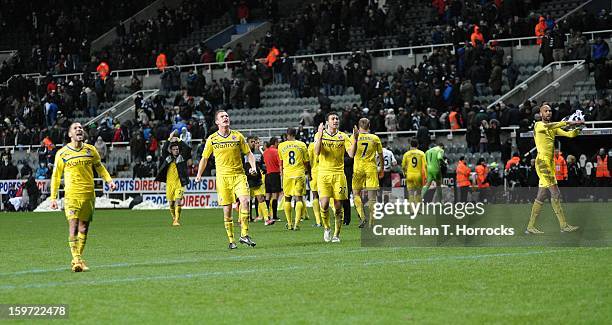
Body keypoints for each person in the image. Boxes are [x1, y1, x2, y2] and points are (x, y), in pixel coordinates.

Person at [50, 122, 117, 272]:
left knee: (84, 227)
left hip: (88, 194)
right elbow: (56, 176)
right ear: (70, 134)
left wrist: (109, 181)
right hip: (71, 195)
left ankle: (78, 258)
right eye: (75, 128)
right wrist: (53, 197)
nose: (79, 129)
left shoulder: (91, 150)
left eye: (80, 128)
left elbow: (100, 167)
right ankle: (76, 259)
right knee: (73, 227)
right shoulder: (62, 153)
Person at [196, 110, 258, 249]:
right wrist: (199, 174)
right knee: (228, 211)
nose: (225, 118)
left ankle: (244, 234)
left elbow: (249, 153)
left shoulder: (237, 136)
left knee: (245, 201)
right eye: (222, 116)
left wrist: (253, 166)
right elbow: (204, 158)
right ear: (217, 122)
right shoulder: (212, 139)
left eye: (227, 116)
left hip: (239, 176)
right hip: (223, 178)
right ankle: (231, 241)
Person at [526, 104, 582, 234]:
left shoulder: (553, 128)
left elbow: (570, 135)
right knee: (556, 193)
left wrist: (578, 128)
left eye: (550, 111)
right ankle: (563, 226)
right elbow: (549, 126)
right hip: (543, 163)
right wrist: (564, 122)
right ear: (541, 114)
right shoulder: (538, 125)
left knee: (541, 195)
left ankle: (530, 227)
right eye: (545, 111)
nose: (548, 113)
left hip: (548, 163)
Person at [314, 112, 357, 243]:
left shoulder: (343, 136)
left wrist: (355, 139)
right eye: (333, 119)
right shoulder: (319, 134)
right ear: (328, 122)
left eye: (337, 118)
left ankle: (336, 234)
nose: (335, 120)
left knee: (338, 206)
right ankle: (327, 228)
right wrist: (320, 134)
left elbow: (351, 154)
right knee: (325, 204)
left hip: (339, 174)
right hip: (324, 174)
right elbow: (316, 152)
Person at [155, 130, 192, 226]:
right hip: (169, 184)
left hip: (179, 183)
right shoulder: (168, 158)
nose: (176, 150)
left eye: (177, 149)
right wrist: (169, 138)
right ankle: (174, 218)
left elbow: (187, 148)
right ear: (171, 150)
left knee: (178, 201)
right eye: (174, 149)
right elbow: (163, 150)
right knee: (171, 203)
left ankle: (176, 220)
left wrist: (179, 140)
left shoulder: (181, 158)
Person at [352, 118, 383, 228]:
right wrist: (382, 168)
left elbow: (351, 152)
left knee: (356, 194)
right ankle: (372, 222)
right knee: (372, 198)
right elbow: (380, 155)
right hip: (371, 168)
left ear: (359, 126)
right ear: (369, 125)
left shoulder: (355, 137)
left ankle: (362, 216)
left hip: (358, 169)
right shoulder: (375, 138)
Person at [278, 128, 309, 230]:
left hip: (287, 174)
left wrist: (282, 174)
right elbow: (306, 161)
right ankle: (297, 224)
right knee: (299, 198)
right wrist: (308, 171)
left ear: (287, 135)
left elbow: (281, 162)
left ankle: (289, 223)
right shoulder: (302, 145)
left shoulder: (281, 146)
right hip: (299, 174)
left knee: (287, 198)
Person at [246, 136, 274, 225]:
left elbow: (262, 164)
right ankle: (244, 219)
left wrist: (263, 169)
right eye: (251, 142)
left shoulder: (259, 152)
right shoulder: (243, 153)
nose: (253, 143)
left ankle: (267, 219)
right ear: (248, 143)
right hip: (246, 179)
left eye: (254, 141)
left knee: (261, 198)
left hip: (257, 179)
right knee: (245, 201)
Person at [402, 139, 427, 205]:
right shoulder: (421, 153)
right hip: (418, 175)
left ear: (410, 145)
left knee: (411, 194)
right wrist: (425, 176)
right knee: (418, 193)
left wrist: (405, 173)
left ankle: (412, 210)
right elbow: (425, 165)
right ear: (417, 145)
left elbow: (403, 166)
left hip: (409, 175)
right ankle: (419, 210)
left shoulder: (406, 154)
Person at [263, 137, 281, 221]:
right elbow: (280, 163)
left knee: (267, 196)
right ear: (276, 142)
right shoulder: (276, 151)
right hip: (275, 174)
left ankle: (266, 215)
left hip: (267, 175)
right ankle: (274, 216)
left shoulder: (265, 152)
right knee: (275, 196)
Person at [308, 141, 322, 227]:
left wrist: (309, 174)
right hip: (325, 171)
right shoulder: (327, 143)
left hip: (315, 172)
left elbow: (309, 161)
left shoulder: (312, 145)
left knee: (315, 195)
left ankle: (318, 221)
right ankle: (338, 216)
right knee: (329, 195)